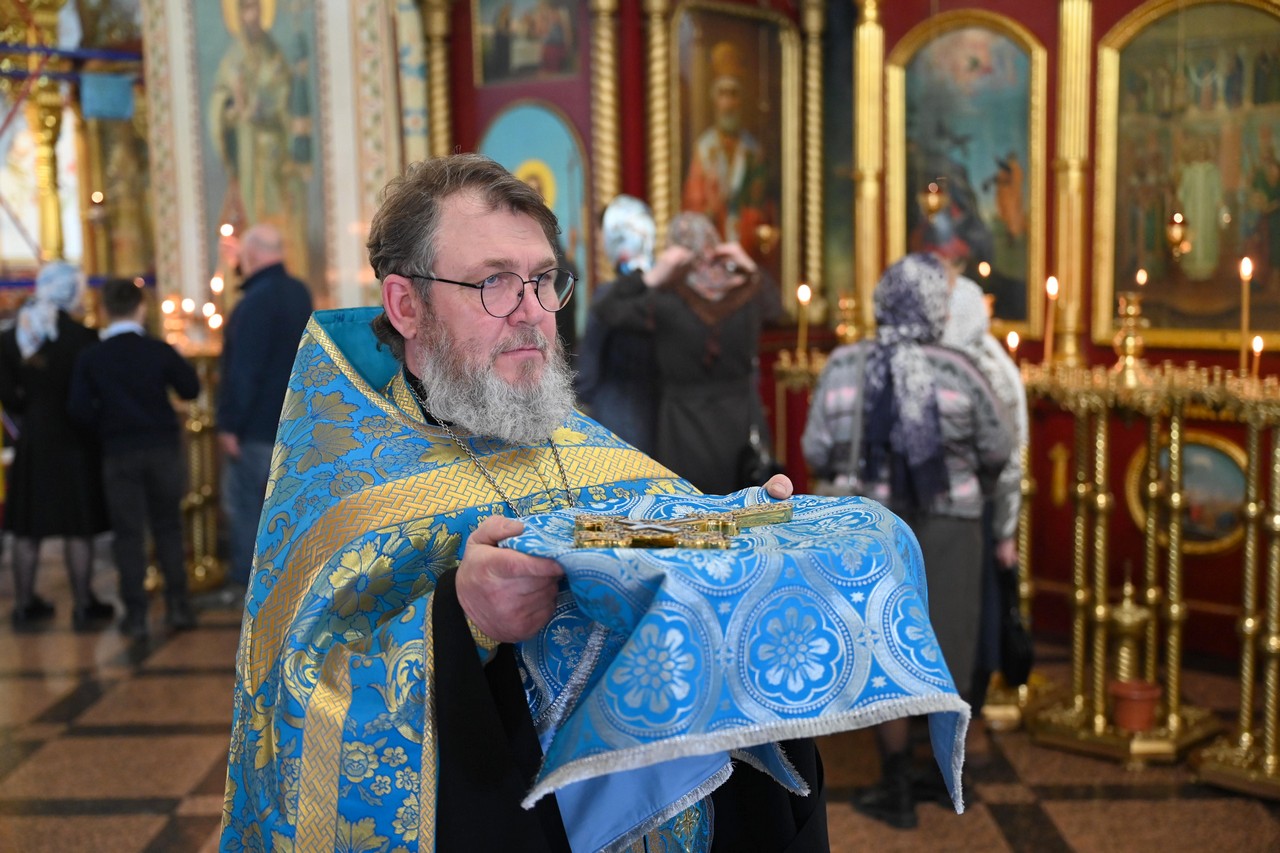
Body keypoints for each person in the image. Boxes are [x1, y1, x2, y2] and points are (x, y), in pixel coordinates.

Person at [220, 154, 842, 851]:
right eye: (494, 282)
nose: (533, 313)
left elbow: (672, 549)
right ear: (405, 306)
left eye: (544, 280)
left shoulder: (583, 442)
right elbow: (294, 715)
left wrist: (738, 534)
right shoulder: (344, 490)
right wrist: (464, 623)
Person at [802, 252, 1013, 829]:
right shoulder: (962, 370)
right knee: (950, 642)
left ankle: (894, 782)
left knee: (883, 646)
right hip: (952, 527)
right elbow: (998, 447)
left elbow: (816, 448)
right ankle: (948, 777)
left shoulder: (844, 366)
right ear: (935, 308)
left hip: (868, 529)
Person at [591, 211, 781, 495]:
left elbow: (606, 309)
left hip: (683, 427)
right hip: (740, 420)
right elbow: (777, 307)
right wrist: (749, 266)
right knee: (748, 506)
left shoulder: (665, 300)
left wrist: (650, 277)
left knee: (690, 510)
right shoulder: (747, 293)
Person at [68, 278, 202, 638]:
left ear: (105, 310)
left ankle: (136, 615)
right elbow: (190, 388)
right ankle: (178, 606)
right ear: (142, 308)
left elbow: (78, 409)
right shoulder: (157, 350)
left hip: (118, 453)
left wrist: (105, 427)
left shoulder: (92, 357)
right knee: (168, 527)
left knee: (128, 535)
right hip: (162, 449)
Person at [941, 275, 1028, 763]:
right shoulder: (945, 359)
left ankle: (961, 729)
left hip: (976, 510)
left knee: (974, 622)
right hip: (946, 511)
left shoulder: (990, 368)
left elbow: (1010, 458)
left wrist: (1004, 532)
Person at [0, 261, 113, 631]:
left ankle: (24, 604)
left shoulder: (13, 337)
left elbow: (8, 397)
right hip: (75, 439)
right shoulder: (84, 337)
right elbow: (94, 393)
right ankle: (84, 603)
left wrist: (32, 411)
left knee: (27, 527)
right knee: (78, 525)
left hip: (34, 439)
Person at [216, 223, 312, 593]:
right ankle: (287, 589)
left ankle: (246, 588)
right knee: (286, 512)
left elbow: (245, 370)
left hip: (256, 428)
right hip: (293, 423)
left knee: (247, 509)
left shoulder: (255, 300)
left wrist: (229, 424)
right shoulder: (299, 292)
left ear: (252, 255)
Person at [208, 0, 311, 280]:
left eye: (254, 8)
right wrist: (231, 108)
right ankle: (250, 270)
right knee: (248, 212)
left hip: (271, 152)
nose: (249, 15)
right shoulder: (232, 59)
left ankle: (284, 270)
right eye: (244, 9)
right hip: (246, 153)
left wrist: (256, 108)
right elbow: (220, 101)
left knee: (277, 212)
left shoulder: (273, 56)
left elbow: (283, 100)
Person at [573, 194, 660, 454]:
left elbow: (588, 371)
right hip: (662, 417)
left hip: (616, 416)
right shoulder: (668, 292)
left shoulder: (607, 297)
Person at [681, 41, 772, 259]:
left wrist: (749, 220)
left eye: (733, 94)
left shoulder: (753, 151)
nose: (728, 103)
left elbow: (762, 206)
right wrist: (711, 209)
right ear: (715, 100)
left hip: (745, 245)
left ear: (741, 101)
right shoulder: (704, 149)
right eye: (723, 94)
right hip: (712, 245)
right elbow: (692, 207)